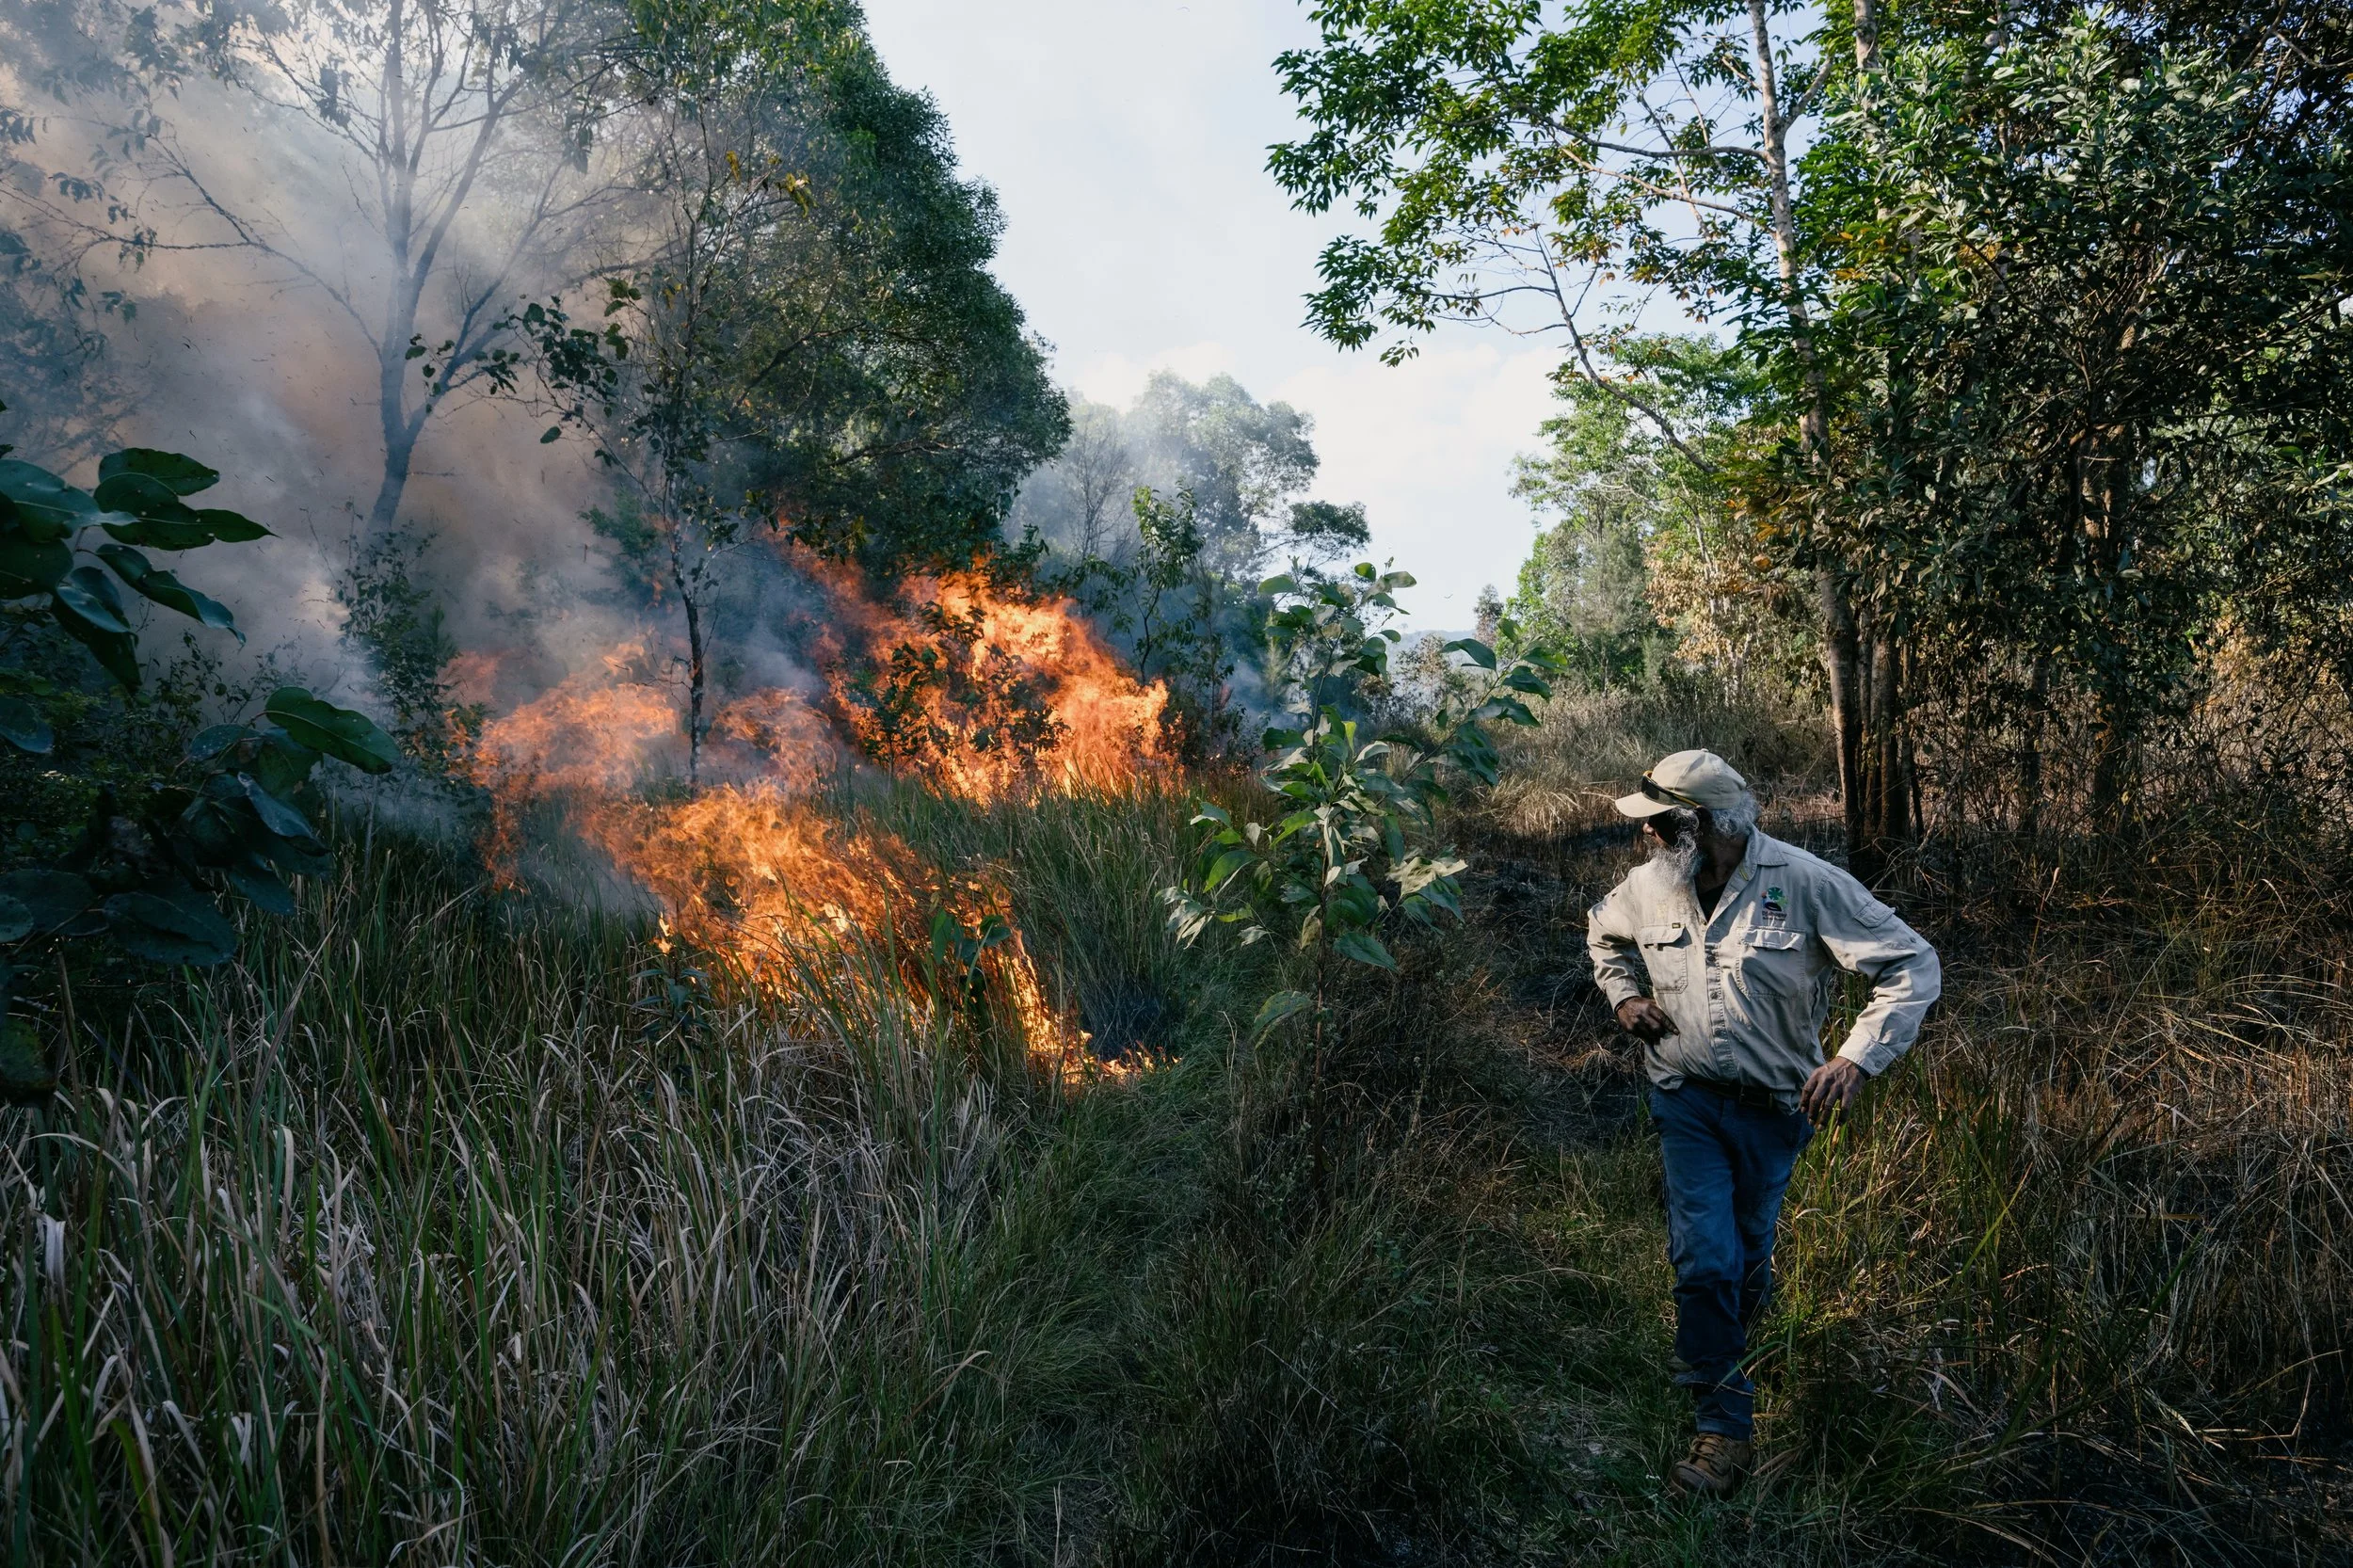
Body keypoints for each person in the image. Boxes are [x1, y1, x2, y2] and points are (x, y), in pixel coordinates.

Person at [1585, 748, 1940, 1497]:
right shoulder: (1649, 887)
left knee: (1747, 1255)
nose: (1646, 838)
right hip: (1685, 1098)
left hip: (1777, 1111)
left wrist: (1855, 1059)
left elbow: (1911, 963)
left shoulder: (1803, 883)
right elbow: (1603, 934)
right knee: (1706, 1255)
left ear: (1700, 825)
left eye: (1658, 825)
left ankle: (1732, 1349)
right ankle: (1724, 1429)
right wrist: (1623, 997)